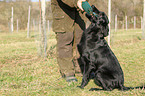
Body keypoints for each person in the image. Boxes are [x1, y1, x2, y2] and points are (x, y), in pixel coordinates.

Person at [51, 0, 88, 82]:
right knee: (65, 41)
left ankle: (80, 69)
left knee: (80, 40)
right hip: (62, 9)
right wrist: (76, 1)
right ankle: (67, 72)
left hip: (79, 11)